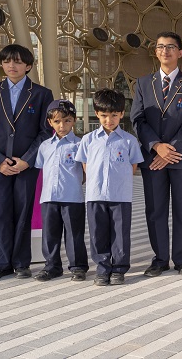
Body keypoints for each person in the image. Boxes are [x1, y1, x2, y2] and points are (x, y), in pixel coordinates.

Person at [130, 31, 182, 277]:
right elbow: (137, 119)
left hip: (181, 158)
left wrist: (170, 149)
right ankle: (160, 259)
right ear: (156, 52)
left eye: (171, 47)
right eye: (160, 47)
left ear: (180, 52)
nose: (165, 51)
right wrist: (155, 146)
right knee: (155, 209)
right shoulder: (142, 84)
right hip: (152, 158)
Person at [0, 44, 53, 281]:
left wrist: (28, 161)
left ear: (28, 66)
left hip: (25, 166)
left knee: (23, 212)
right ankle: (0, 263)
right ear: (2, 64)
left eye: (18, 62)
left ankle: (21, 263)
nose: (12, 65)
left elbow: (45, 132)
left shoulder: (41, 94)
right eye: (7, 61)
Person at [75, 88, 144, 287]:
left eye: (114, 115)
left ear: (122, 114)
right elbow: (85, 166)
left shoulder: (129, 141)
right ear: (97, 113)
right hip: (95, 194)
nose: (109, 120)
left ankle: (120, 269)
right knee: (98, 233)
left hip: (120, 195)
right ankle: (103, 268)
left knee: (120, 233)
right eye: (104, 115)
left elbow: (132, 166)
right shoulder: (88, 140)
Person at [33, 99, 88, 282]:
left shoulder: (80, 145)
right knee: (50, 235)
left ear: (74, 120)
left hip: (73, 197)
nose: (62, 125)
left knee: (74, 234)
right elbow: (42, 167)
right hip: (48, 197)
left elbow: (86, 171)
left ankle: (78, 266)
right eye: (57, 121)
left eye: (67, 120)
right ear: (50, 122)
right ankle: (52, 266)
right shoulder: (45, 146)